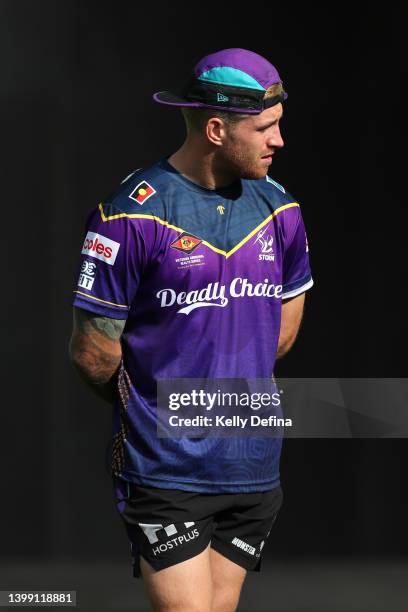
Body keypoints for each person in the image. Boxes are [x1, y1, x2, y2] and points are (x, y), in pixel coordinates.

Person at [69, 48, 313, 612]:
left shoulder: (282, 209)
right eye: (266, 128)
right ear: (215, 129)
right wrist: (158, 414)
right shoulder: (129, 215)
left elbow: (279, 334)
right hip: (167, 471)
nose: (279, 141)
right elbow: (93, 355)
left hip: (251, 466)